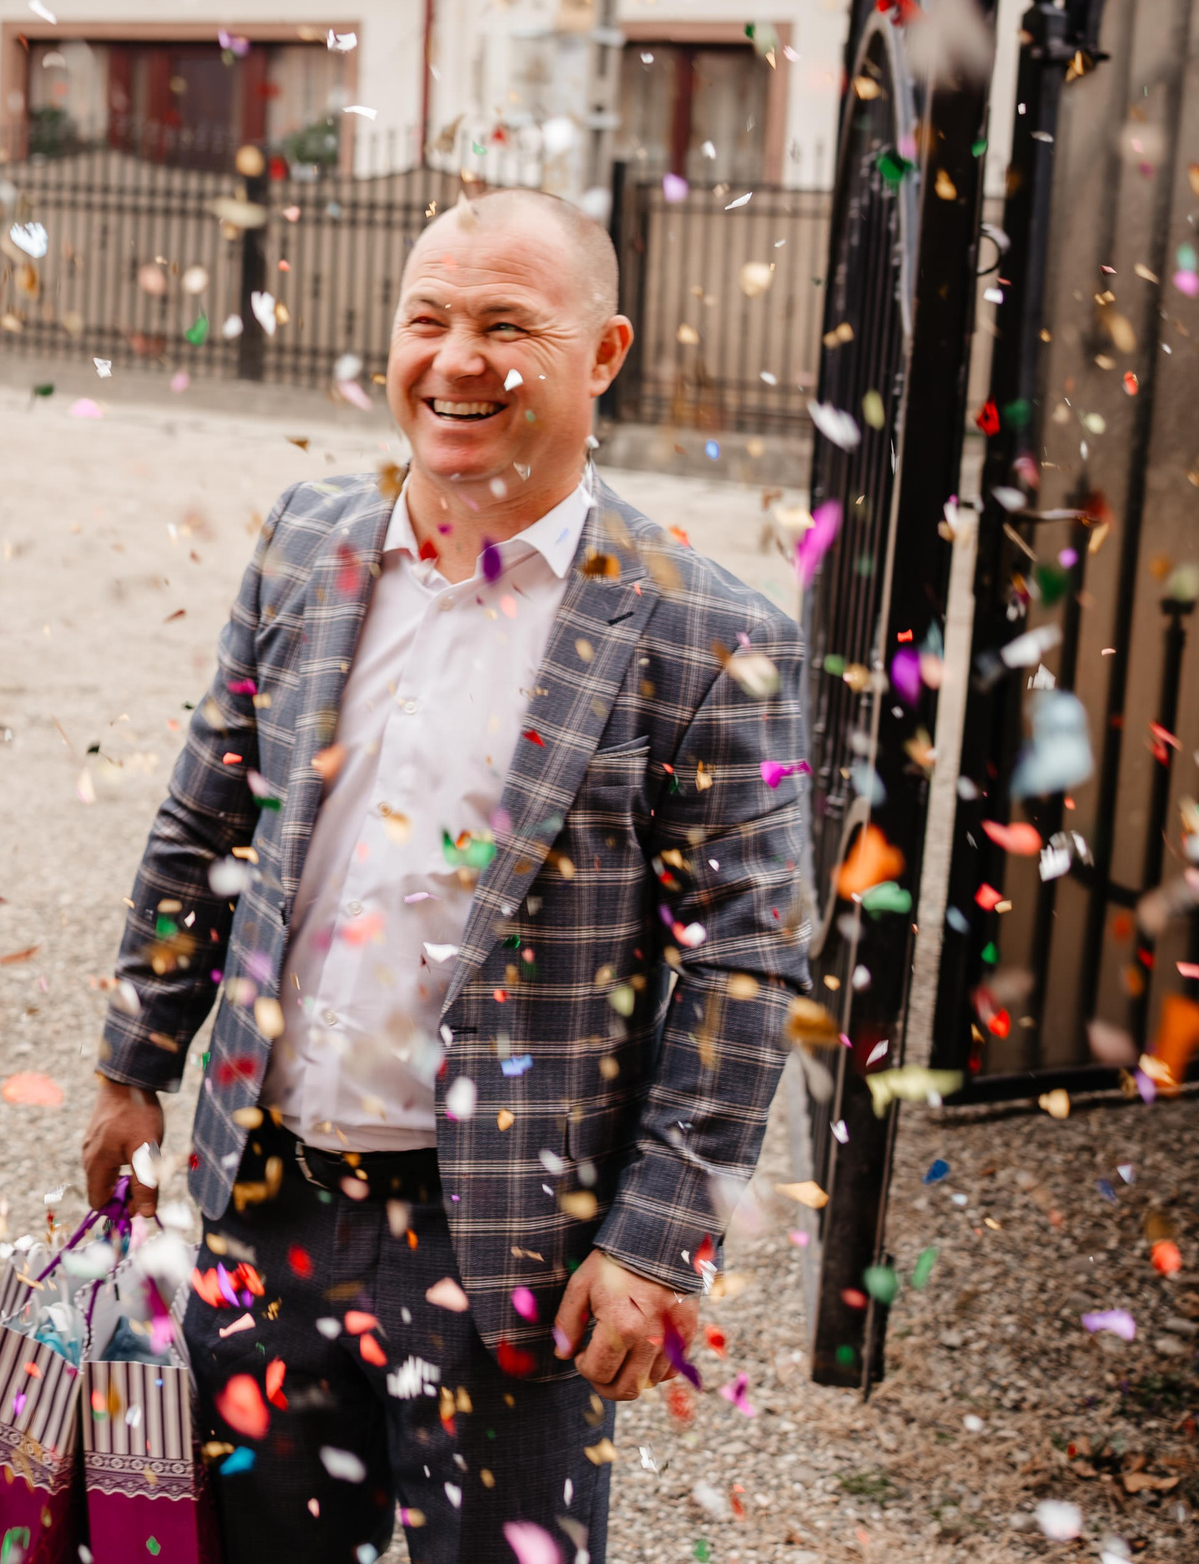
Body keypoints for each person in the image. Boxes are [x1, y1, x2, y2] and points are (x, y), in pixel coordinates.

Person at [78, 189, 808, 1562]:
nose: (456, 360)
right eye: (430, 320)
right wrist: (136, 1064)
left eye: (506, 324)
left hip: (508, 1242)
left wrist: (655, 1244)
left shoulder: (707, 634)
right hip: (267, 1196)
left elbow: (742, 965)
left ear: (604, 354)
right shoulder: (306, 542)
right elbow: (205, 813)